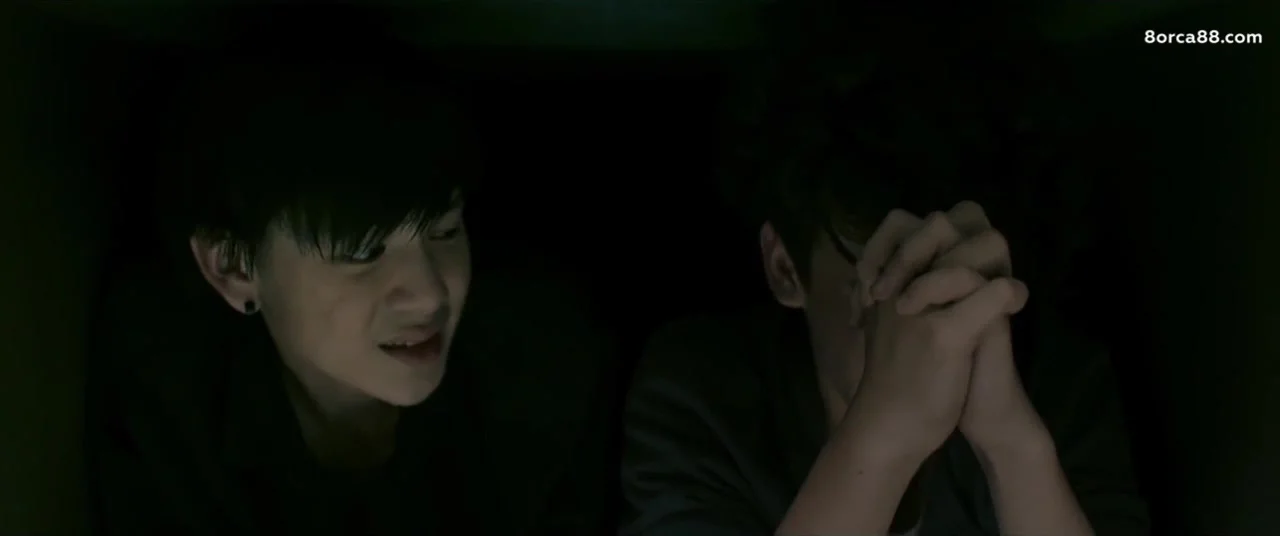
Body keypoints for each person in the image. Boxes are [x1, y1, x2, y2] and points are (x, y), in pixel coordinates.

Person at [619, 11, 1149, 536]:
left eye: (952, 275)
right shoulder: (702, 395)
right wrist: (885, 431)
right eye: (884, 278)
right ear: (785, 269)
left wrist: (1011, 444)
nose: (928, 326)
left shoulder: (1059, 385)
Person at [86, 17, 618, 536]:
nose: (430, 293)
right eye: (363, 251)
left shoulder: (543, 369)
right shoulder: (171, 393)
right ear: (235, 268)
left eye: (446, 230)